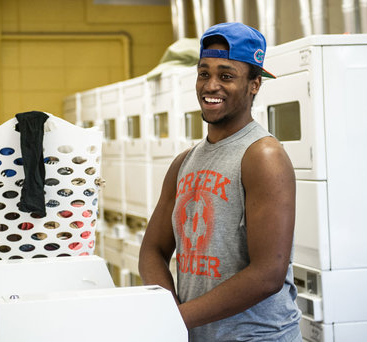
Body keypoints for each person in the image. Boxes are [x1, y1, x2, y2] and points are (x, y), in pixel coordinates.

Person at [138, 22, 301, 341]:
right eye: (204, 73)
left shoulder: (263, 157)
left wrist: (175, 318)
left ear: (254, 84)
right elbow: (153, 250)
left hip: (257, 336)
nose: (211, 85)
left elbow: (268, 274)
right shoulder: (184, 162)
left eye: (226, 75)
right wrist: (167, 312)